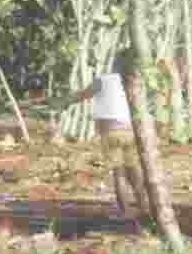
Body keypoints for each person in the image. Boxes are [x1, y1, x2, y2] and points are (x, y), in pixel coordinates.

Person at [50, 47, 147, 219]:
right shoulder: (135, 81)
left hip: (110, 132)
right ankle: (144, 208)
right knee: (134, 171)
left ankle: (125, 212)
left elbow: (81, 95)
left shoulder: (103, 80)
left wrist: (63, 102)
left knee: (119, 173)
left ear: (115, 64)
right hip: (131, 131)